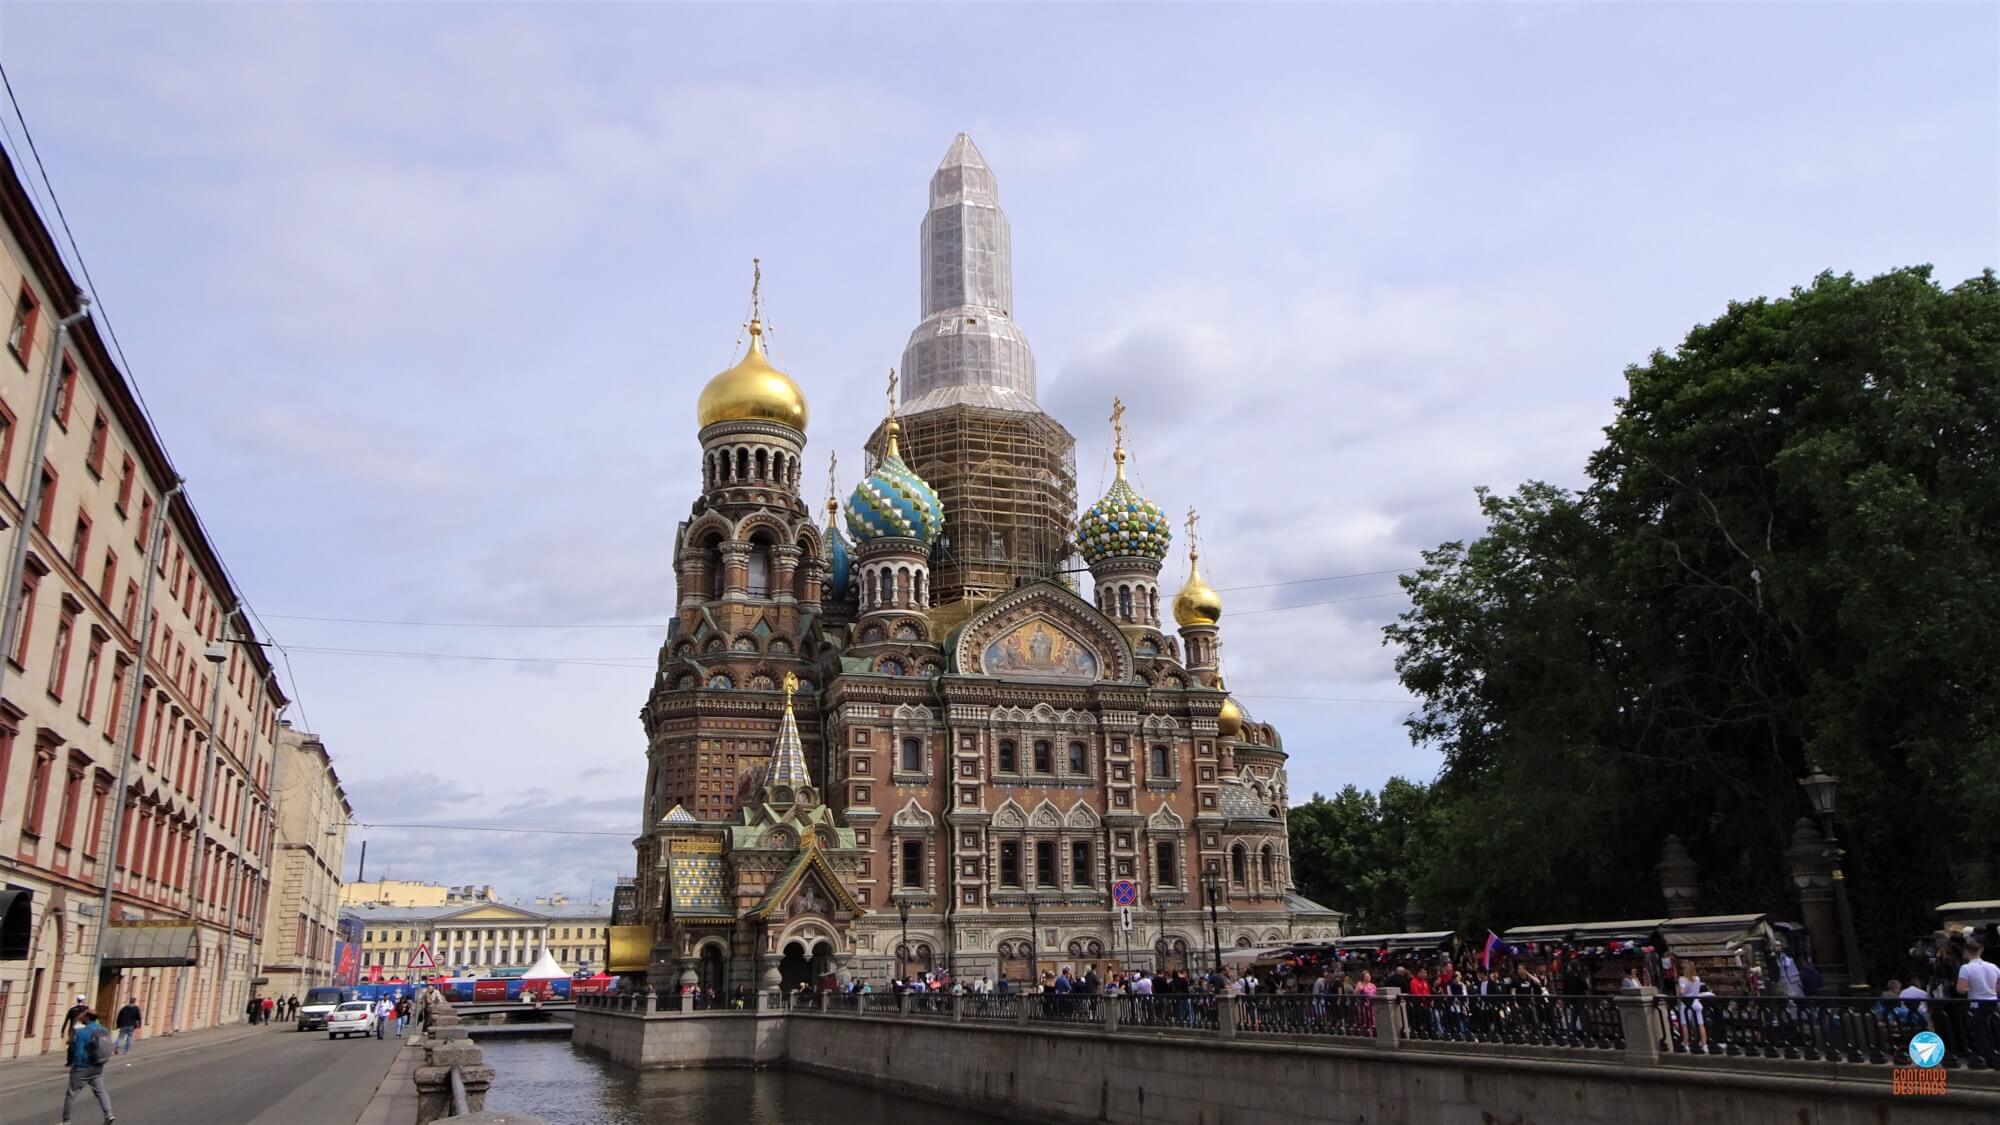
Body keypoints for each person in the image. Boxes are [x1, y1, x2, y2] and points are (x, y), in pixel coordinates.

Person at [60, 1008, 115, 1124]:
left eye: (84, 1014)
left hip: (83, 1068)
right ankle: (108, 1115)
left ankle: (66, 1121)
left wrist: (76, 1066)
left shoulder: (83, 1033)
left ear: (88, 1017)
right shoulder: (103, 1030)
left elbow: (78, 1053)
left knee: (71, 1094)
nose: (82, 1016)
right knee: (101, 1091)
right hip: (98, 1066)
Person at [1956, 940, 1999, 1061]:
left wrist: (1972, 986)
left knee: (1980, 1030)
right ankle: (1996, 1054)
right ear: (1980, 951)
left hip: (1977, 1002)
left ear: (1965, 952)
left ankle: (1986, 1057)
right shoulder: (1993, 966)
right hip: (1993, 1001)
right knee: (1994, 1028)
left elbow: (1961, 989)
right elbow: (1998, 987)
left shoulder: (1966, 968)